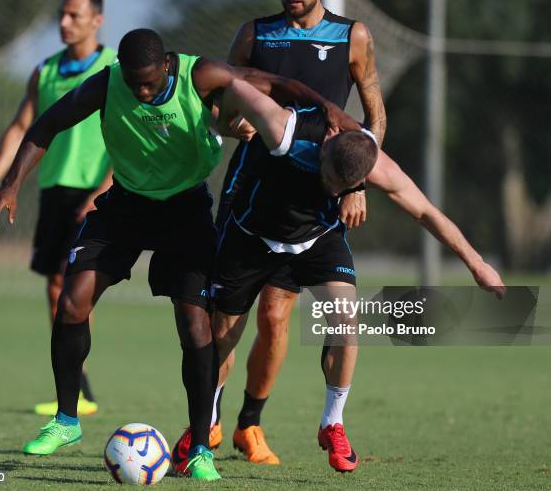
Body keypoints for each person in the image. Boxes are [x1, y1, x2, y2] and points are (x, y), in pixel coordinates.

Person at [0, 28, 358, 480]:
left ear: (167, 67)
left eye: (150, 83)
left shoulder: (201, 74)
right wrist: (12, 184)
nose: (141, 91)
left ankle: (199, 448)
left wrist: (328, 107)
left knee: (196, 327)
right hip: (125, 206)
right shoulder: (107, 82)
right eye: (134, 82)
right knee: (72, 301)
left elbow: (269, 81)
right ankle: (66, 420)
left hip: (185, 210)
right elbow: (47, 124)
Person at [208, 79, 505, 472]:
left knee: (348, 324)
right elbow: (232, 85)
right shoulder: (283, 128)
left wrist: (477, 264)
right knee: (222, 337)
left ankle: (333, 422)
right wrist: (228, 123)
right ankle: (207, 418)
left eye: (341, 188)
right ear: (328, 141)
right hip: (252, 237)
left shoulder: (376, 165)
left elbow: (426, 212)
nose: (330, 187)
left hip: (317, 239)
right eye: (328, 177)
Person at [172, 0, 387, 469]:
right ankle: (209, 421)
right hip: (250, 199)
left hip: (314, 206)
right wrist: (232, 124)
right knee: (228, 322)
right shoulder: (253, 34)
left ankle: (253, 422)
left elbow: (374, 115)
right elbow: (216, 105)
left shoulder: (352, 36)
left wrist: (356, 180)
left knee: (278, 318)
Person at [0, 0, 115, 416]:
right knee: (55, 287)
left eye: (74, 15)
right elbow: (20, 127)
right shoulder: (46, 70)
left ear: (97, 19)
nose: (64, 22)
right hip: (54, 192)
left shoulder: (114, 68)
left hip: (97, 196)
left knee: (72, 286)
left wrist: (103, 188)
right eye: (62, 15)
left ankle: (80, 389)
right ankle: (78, 387)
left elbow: (132, 134)